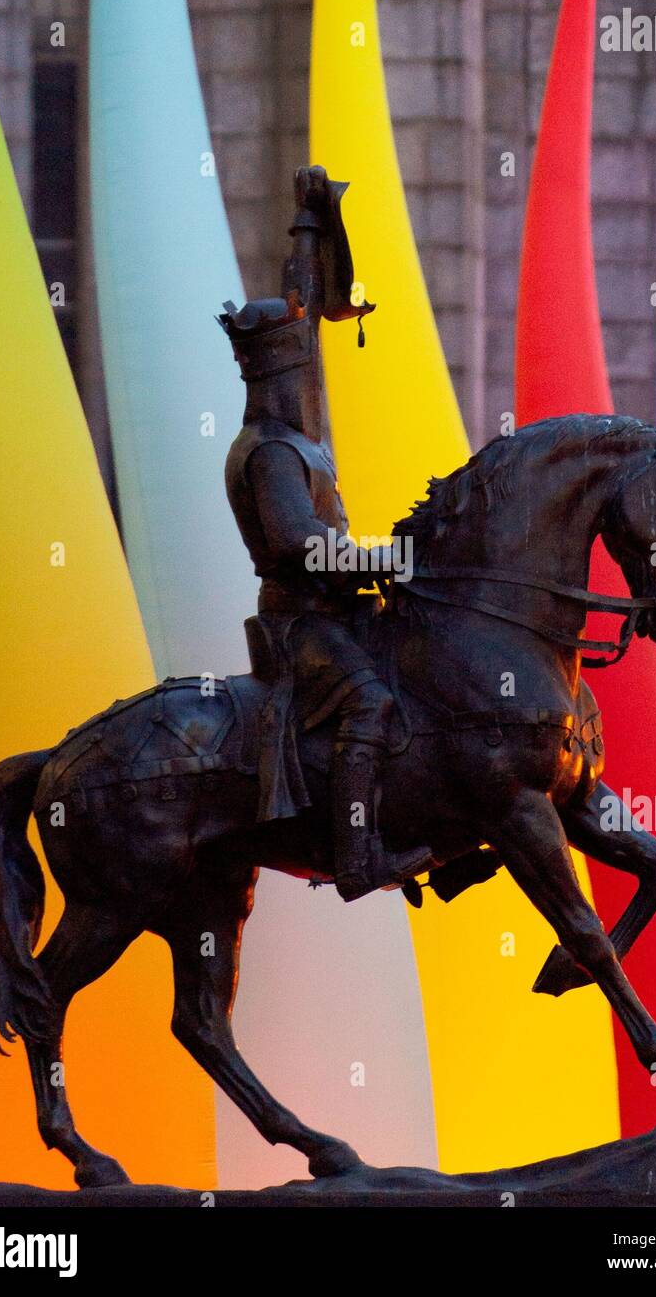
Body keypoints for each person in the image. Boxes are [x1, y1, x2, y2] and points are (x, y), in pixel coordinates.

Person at [220, 166, 429, 901]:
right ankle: (357, 853)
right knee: (370, 703)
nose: (310, 376)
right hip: (301, 627)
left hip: (338, 613)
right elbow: (305, 545)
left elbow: (305, 308)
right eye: (298, 369)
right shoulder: (270, 451)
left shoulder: (297, 431)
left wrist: (310, 222)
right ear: (274, 379)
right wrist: (387, 559)